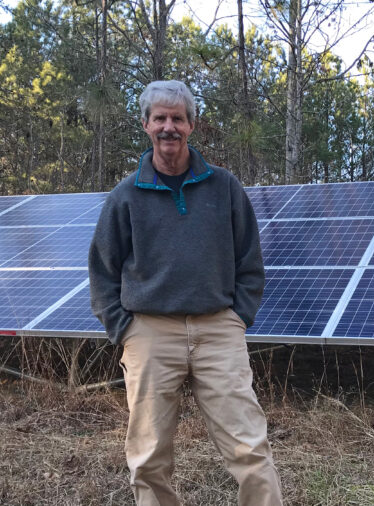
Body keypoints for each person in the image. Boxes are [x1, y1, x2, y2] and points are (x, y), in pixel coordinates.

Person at [88, 80, 282, 506]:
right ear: (145, 124)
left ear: (192, 125)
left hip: (218, 331)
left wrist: (238, 316)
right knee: (150, 455)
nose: (169, 127)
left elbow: (250, 258)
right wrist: (126, 330)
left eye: (178, 118)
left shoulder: (224, 187)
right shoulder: (125, 196)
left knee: (249, 446)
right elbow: (103, 271)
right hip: (150, 334)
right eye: (160, 118)